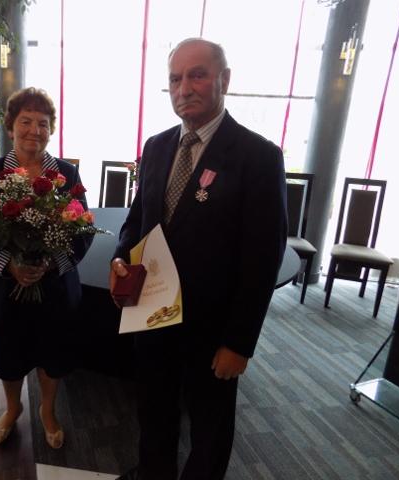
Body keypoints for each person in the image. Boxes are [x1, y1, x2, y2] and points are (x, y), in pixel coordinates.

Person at [110, 39, 287, 479]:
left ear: (224, 79)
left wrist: (239, 342)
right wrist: (120, 260)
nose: (184, 88)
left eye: (197, 75)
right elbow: (138, 220)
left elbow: (263, 257)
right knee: (154, 412)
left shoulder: (258, 156)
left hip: (213, 330)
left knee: (210, 428)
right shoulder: (156, 147)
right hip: (152, 314)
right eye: (175, 79)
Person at [0, 87, 92, 449]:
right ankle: (12, 408)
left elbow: (83, 230)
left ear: (51, 130)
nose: (34, 130)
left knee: (53, 354)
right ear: (10, 127)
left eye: (43, 123)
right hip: (7, 289)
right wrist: (11, 266)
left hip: (56, 288)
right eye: (26, 121)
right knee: (9, 353)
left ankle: (47, 410)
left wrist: (50, 262)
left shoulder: (66, 174)